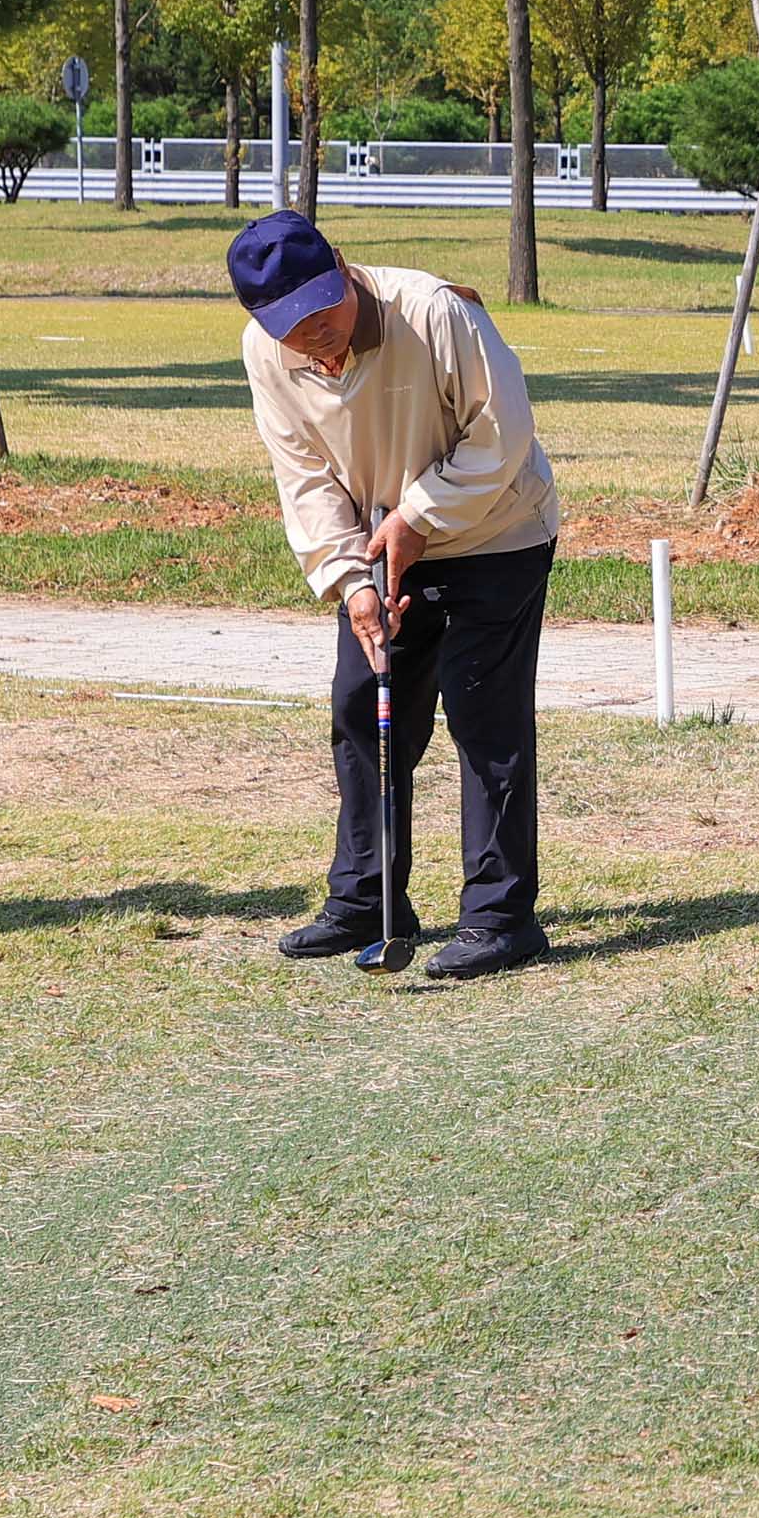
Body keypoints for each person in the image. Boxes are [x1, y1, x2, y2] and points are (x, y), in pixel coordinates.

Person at [231, 210, 563, 980]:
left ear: (343, 267)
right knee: (363, 708)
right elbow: (305, 476)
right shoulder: (267, 353)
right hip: (382, 549)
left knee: (482, 713)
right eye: (290, 325)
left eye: (322, 311)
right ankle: (364, 899)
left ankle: (500, 919)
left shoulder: (434, 312)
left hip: (497, 532)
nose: (313, 334)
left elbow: (502, 434)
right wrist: (350, 580)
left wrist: (419, 516)